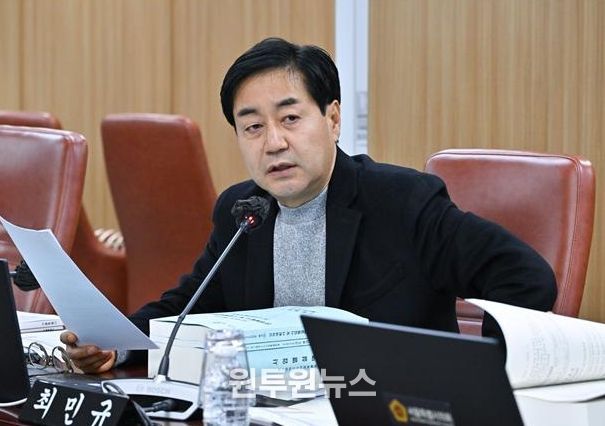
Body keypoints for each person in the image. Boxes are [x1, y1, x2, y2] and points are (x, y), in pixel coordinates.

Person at [61, 37, 556, 373]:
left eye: (291, 118)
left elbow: (525, 277)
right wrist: (116, 344)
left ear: (332, 119)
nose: (273, 142)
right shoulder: (244, 212)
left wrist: (479, 376)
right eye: (253, 127)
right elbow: (188, 307)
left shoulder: (402, 202)